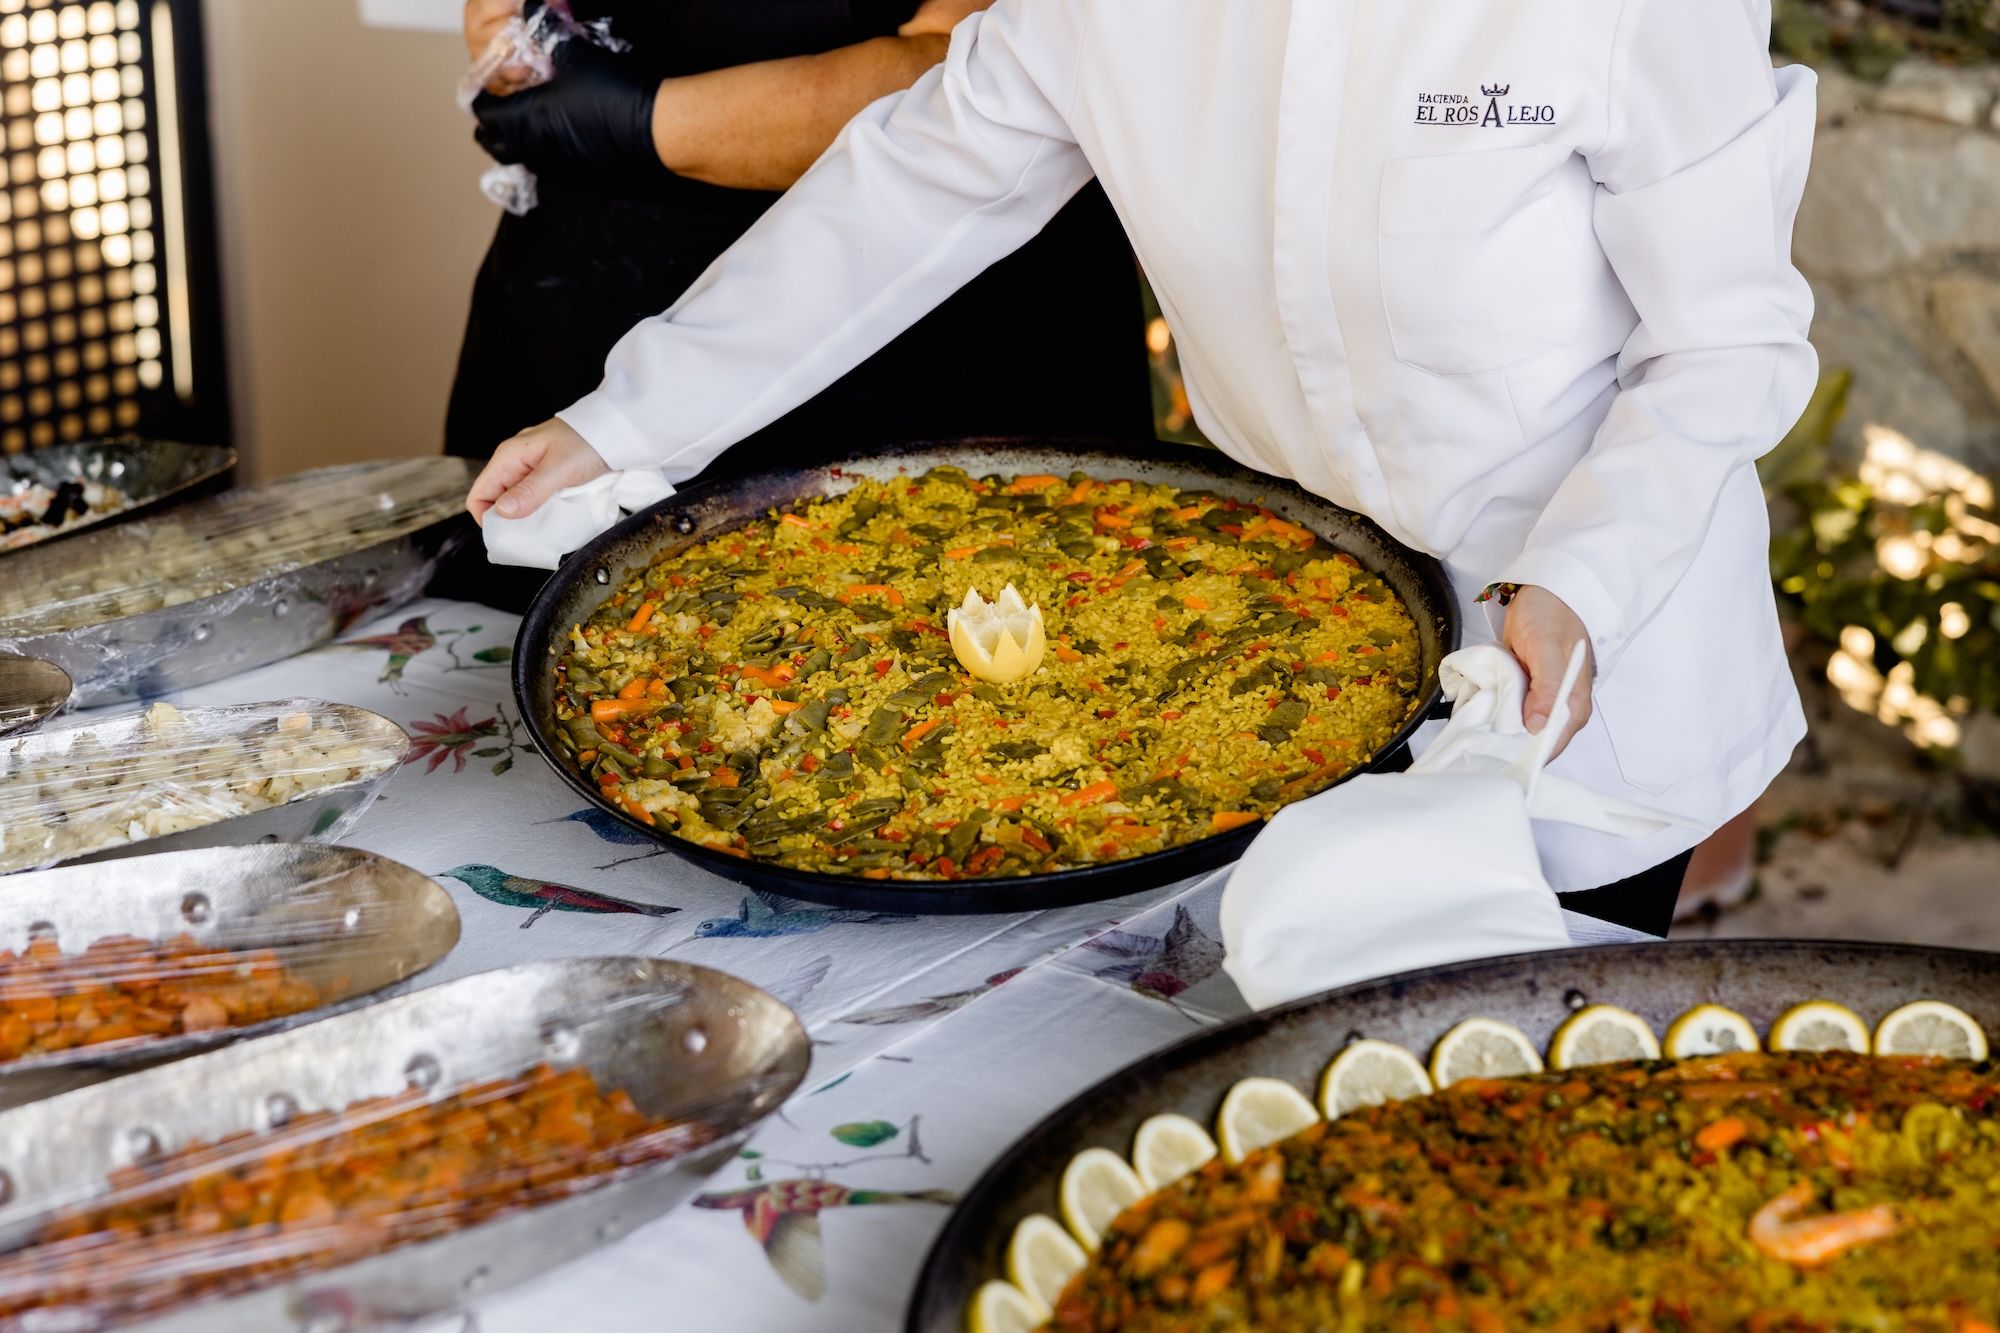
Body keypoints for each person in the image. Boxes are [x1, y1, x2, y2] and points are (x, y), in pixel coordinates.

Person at [467, 0, 1818, 936]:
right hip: (1293, 651)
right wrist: (628, 423)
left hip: (1592, 664)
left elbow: (1725, 343)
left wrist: (1582, 578)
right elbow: (915, 186)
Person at [438, 0, 1149, 603]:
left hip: (931, 352)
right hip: (600, 277)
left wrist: (646, 123)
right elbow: (955, 152)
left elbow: (969, 105)